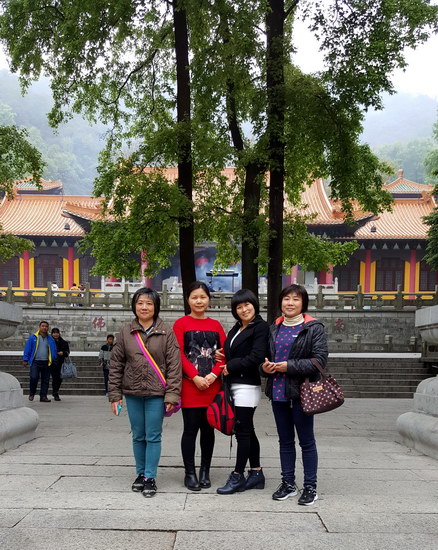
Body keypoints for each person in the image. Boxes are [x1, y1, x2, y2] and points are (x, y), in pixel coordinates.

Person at [109, 287, 181, 498]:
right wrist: (115, 396)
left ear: (156, 306)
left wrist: (172, 395)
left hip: (156, 394)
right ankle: (140, 474)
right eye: (140, 303)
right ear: (134, 306)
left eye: (149, 303)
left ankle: (150, 477)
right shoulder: (126, 332)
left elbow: (174, 366)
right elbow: (116, 365)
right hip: (132, 393)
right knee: (138, 435)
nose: (144, 307)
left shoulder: (166, 332)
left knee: (153, 436)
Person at [261, 284, 328, 506]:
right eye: (286, 298)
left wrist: (288, 366)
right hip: (278, 392)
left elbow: (319, 361)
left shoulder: (313, 328)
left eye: (296, 299)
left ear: (303, 303)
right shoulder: (274, 328)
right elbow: (265, 359)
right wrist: (266, 368)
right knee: (285, 440)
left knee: (306, 441)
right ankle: (288, 483)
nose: (290, 303)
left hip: (302, 393)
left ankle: (310, 487)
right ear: (281, 302)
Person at [173, 281, 226, 491]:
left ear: (209, 300)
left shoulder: (216, 325)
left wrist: (213, 375)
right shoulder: (181, 324)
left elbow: (225, 353)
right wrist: (195, 376)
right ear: (188, 300)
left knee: (208, 430)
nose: (199, 301)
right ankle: (190, 473)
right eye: (194, 297)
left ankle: (205, 471)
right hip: (190, 386)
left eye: (203, 297)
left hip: (212, 386)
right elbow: (178, 353)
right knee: (190, 430)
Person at [215, 289, 269, 495]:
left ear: (254, 305)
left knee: (242, 431)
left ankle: (237, 475)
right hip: (234, 384)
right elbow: (235, 352)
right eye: (239, 306)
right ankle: (256, 473)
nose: (244, 309)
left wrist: (231, 365)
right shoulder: (237, 328)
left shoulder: (261, 327)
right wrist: (223, 355)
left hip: (247, 385)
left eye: (247, 304)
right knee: (248, 430)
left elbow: (257, 356)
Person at [23, 320, 58, 402]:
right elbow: (27, 349)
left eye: (46, 326)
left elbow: (54, 349)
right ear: (39, 327)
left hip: (46, 362)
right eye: (43, 326)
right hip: (35, 362)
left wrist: (54, 358)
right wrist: (25, 359)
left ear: (48, 328)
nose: (44, 328)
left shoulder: (50, 339)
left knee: (45, 380)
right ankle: (32, 393)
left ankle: (43, 396)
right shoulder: (33, 337)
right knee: (34, 377)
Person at [51, 328, 70, 401]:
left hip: (60, 363)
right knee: (55, 378)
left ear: (59, 334)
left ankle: (55, 391)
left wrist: (63, 353)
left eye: (57, 333)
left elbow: (67, 352)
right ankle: (55, 393)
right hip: (51, 363)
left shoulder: (64, 342)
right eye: (54, 333)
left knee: (59, 379)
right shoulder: (49, 342)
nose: (55, 334)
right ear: (52, 334)